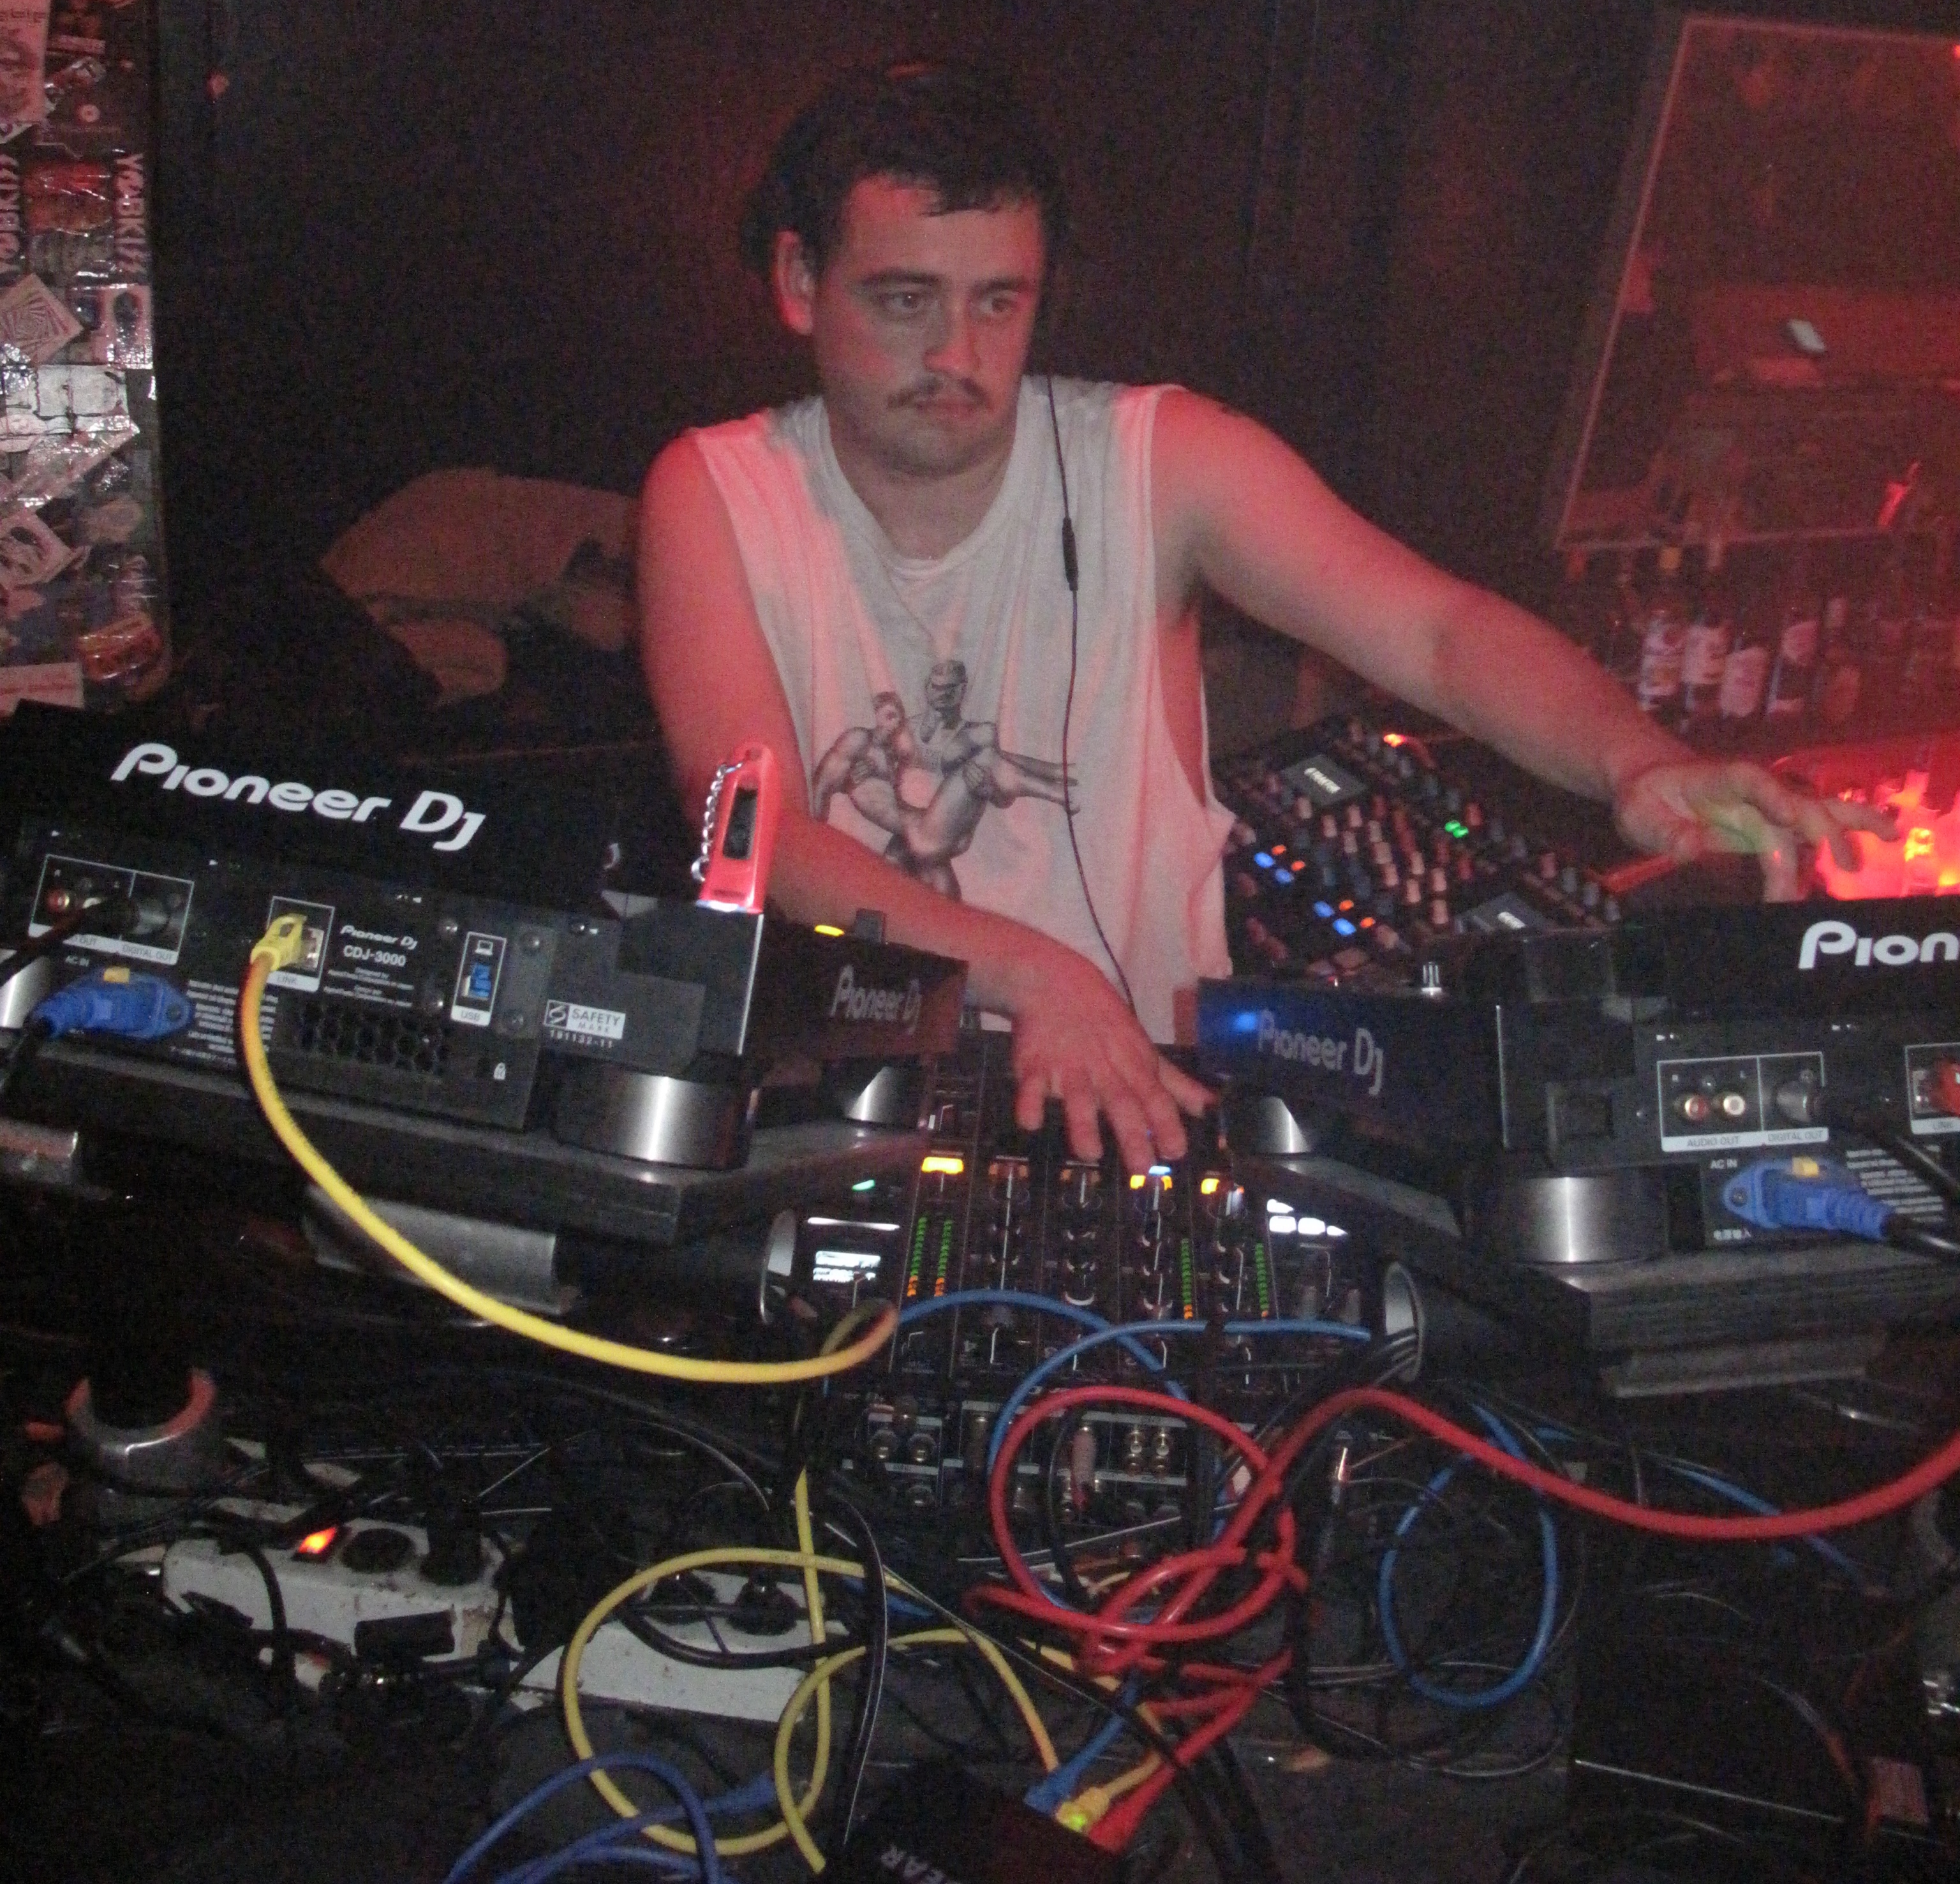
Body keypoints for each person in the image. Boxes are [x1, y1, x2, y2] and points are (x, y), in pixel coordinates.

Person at [638, 63, 1887, 1173]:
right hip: (837, 1115)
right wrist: (1031, 972)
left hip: (1150, 1107)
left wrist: (1637, 760)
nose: (959, 354)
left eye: (999, 303)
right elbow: (752, 824)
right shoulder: (714, 488)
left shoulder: (1164, 458)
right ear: (799, 281)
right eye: (907, 301)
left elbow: (1440, 633)